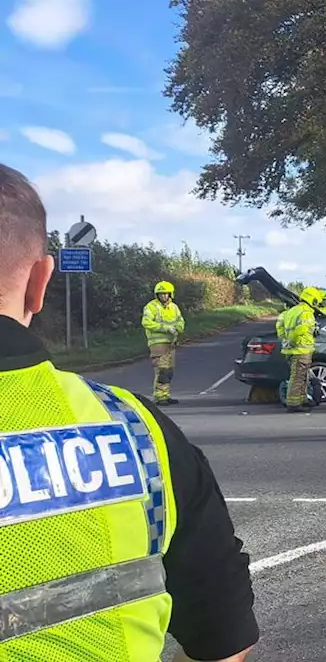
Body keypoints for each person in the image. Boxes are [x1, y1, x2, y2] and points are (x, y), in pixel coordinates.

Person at [0, 163, 258, 661]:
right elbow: (225, 637)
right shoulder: (136, 428)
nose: (164, 296)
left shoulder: (168, 313)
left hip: (169, 346)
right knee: (161, 380)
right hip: (158, 351)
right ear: (41, 283)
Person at [278, 286, 322, 412]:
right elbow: (300, 330)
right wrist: (292, 341)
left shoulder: (292, 310)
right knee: (297, 378)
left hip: (291, 351)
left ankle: (302, 399)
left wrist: (285, 340)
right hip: (300, 351)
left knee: (302, 377)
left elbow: (280, 324)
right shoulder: (306, 313)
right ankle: (293, 404)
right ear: (313, 300)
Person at [141, 279, 185, 405]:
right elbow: (146, 322)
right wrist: (166, 328)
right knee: (162, 371)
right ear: (157, 295)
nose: (163, 296)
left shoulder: (174, 307)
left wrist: (178, 328)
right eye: (161, 294)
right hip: (157, 344)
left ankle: (165, 395)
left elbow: (180, 321)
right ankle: (159, 397)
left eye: (166, 293)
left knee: (169, 371)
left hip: (171, 344)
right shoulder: (151, 307)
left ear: (170, 294)